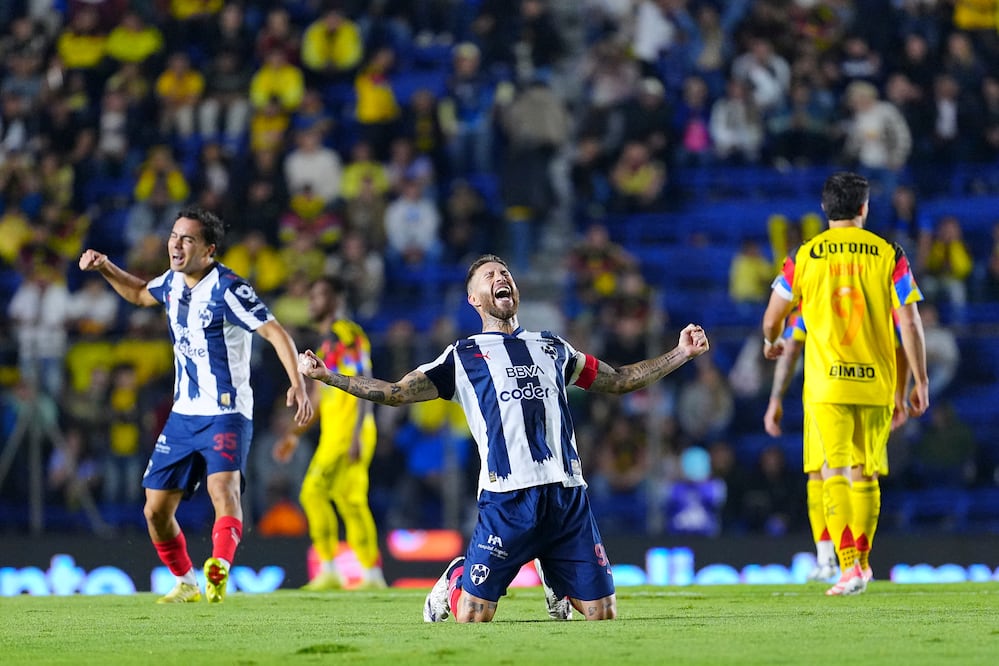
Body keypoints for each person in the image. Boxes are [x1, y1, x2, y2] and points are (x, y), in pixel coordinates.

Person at [298, 254, 711, 622]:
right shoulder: (463, 357)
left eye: (506, 273)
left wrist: (681, 353)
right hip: (507, 500)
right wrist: (328, 377)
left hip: (566, 497)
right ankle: (457, 575)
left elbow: (617, 380)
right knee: (472, 617)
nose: (502, 278)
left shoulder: (552, 346)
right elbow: (396, 392)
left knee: (602, 614)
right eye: (490, 275)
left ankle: (554, 571)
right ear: (475, 300)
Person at [78, 207, 313, 604]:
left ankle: (218, 569)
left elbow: (274, 331)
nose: (176, 243)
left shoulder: (229, 288)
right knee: (154, 511)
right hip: (184, 415)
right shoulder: (171, 282)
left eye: (187, 238)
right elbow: (138, 293)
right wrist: (105, 267)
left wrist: (298, 384)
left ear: (209, 251)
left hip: (227, 410)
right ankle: (186, 580)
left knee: (223, 488)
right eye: (174, 235)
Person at [762, 172, 929, 597]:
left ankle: (848, 567)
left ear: (825, 208)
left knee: (832, 471)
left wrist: (770, 342)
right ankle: (864, 565)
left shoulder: (805, 255)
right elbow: (908, 321)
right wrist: (919, 381)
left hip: (827, 385)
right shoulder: (889, 254)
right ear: (864, 208)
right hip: (876, 382)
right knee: (866, 473)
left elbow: (772, 318)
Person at [273, 276, 387, 590]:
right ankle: (372, 574)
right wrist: (296, 434)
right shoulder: (327, 344)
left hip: (347, 433)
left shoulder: (345, 334)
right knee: (349, 500)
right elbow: (323, 397)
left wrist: (356, 433)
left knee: (312, 491)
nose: (312, 302)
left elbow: (364, 380)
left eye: (320, 295)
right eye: (311, 296)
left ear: (336, 300)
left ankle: (328, 568)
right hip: (339, 432)